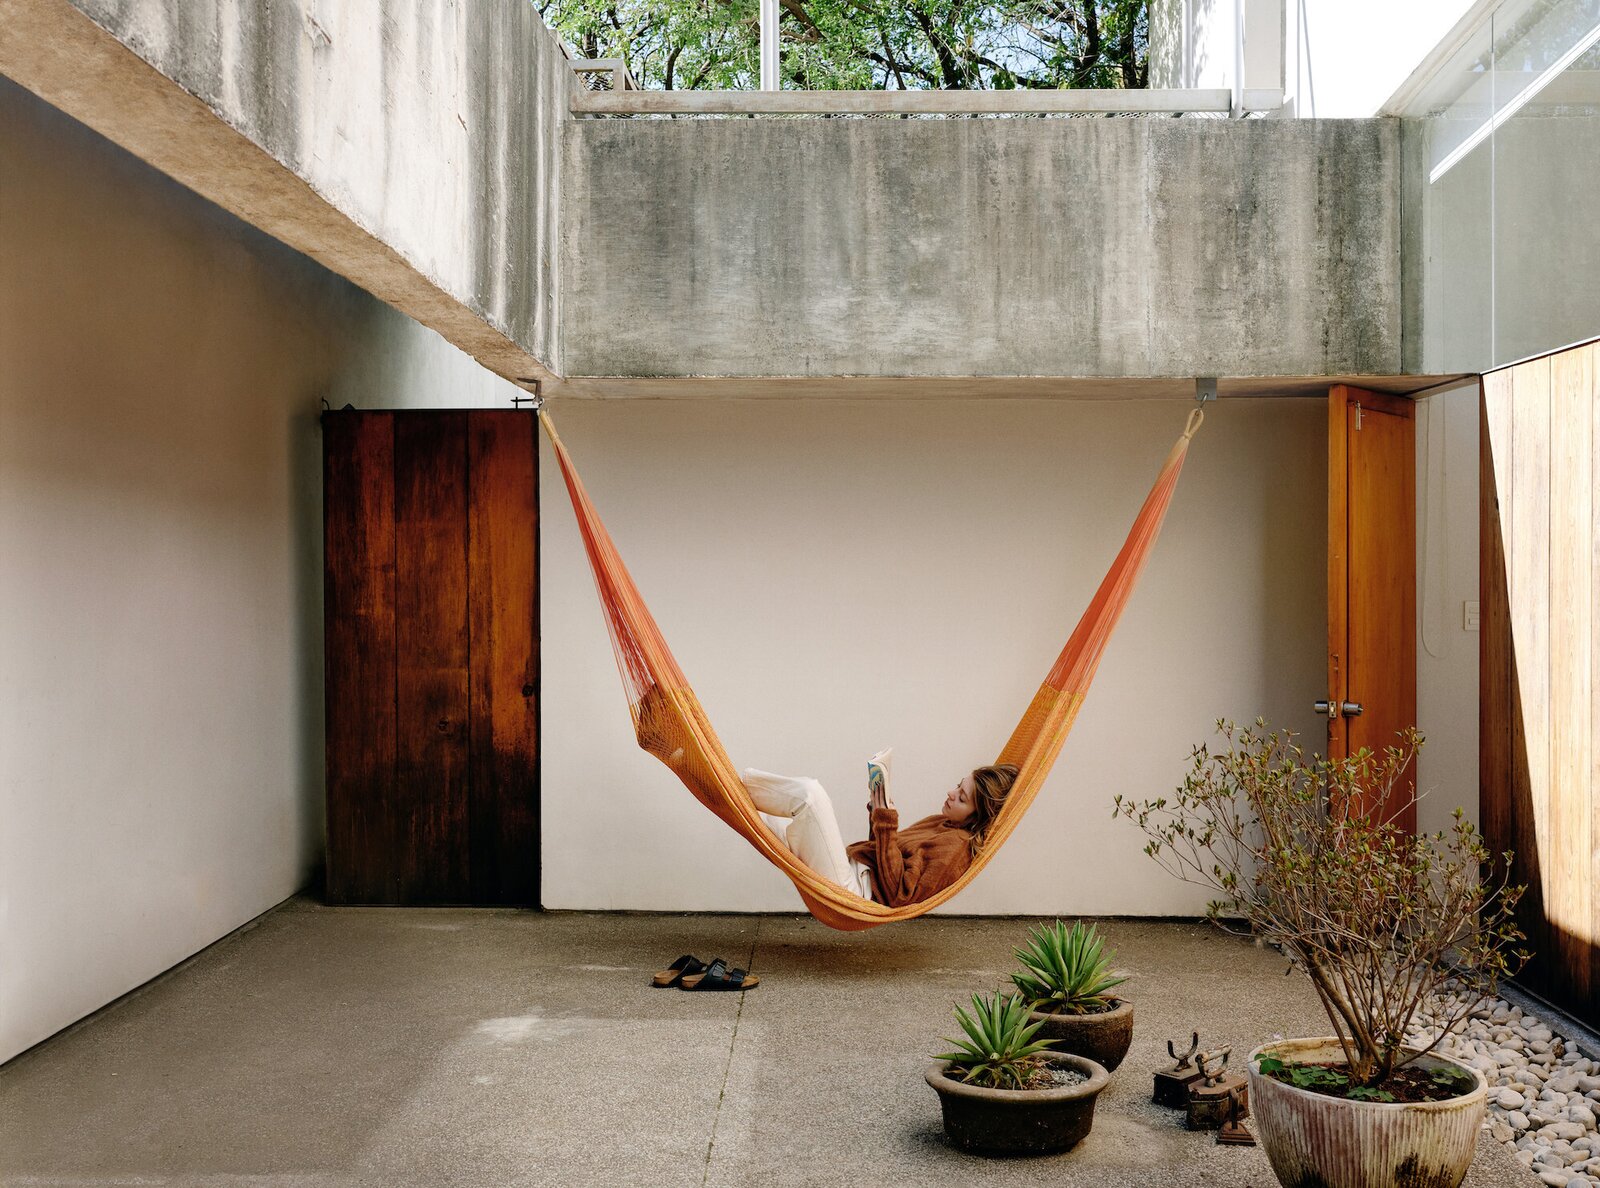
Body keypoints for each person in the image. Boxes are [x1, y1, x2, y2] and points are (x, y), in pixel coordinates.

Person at [742, 759, 1019, 907]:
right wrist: (879, 815)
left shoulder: (954, 850)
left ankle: (737, 780)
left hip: (853, 892)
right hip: (850, 868)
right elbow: (886, 857)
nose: (950, 794)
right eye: (957, 786)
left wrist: (886, 823)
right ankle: (725, 783)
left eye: (961, 797)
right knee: (755, 816)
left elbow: (898, 894)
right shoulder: (941, 822)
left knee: (811, 796)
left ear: (977, 815)